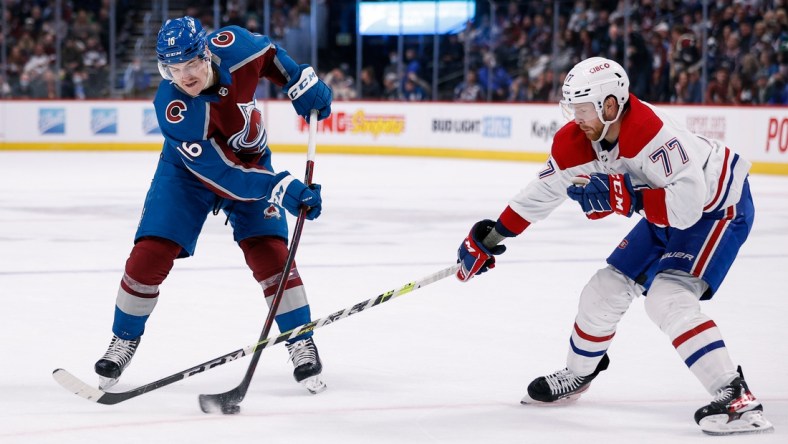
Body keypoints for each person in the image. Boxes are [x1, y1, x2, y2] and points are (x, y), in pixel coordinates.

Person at [455, 57, 773, 435]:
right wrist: (492, 238)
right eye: (572, 108)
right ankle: (578, 374)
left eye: (585, 108)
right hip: (666, 211)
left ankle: (736, 397)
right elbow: (542, 193)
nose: (577, 117)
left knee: (667, 296)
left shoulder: (652, 133)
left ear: (610, 104)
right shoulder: (578, 140)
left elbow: (687, 209)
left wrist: (631, 199)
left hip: (718, 206)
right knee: (603, 290)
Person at [94, 16, 332, 395]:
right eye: (173, 68)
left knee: (270, 252)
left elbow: (269, 54)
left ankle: (300, 340)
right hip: (188, 173)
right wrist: (279, 187)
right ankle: (124, 339)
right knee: (149, 254)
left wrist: (299, 80)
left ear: (207, 53)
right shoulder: (173, 106)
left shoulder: (235, 45)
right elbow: (222, 174)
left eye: (191, 63)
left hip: (252, 163)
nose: (184, 76)